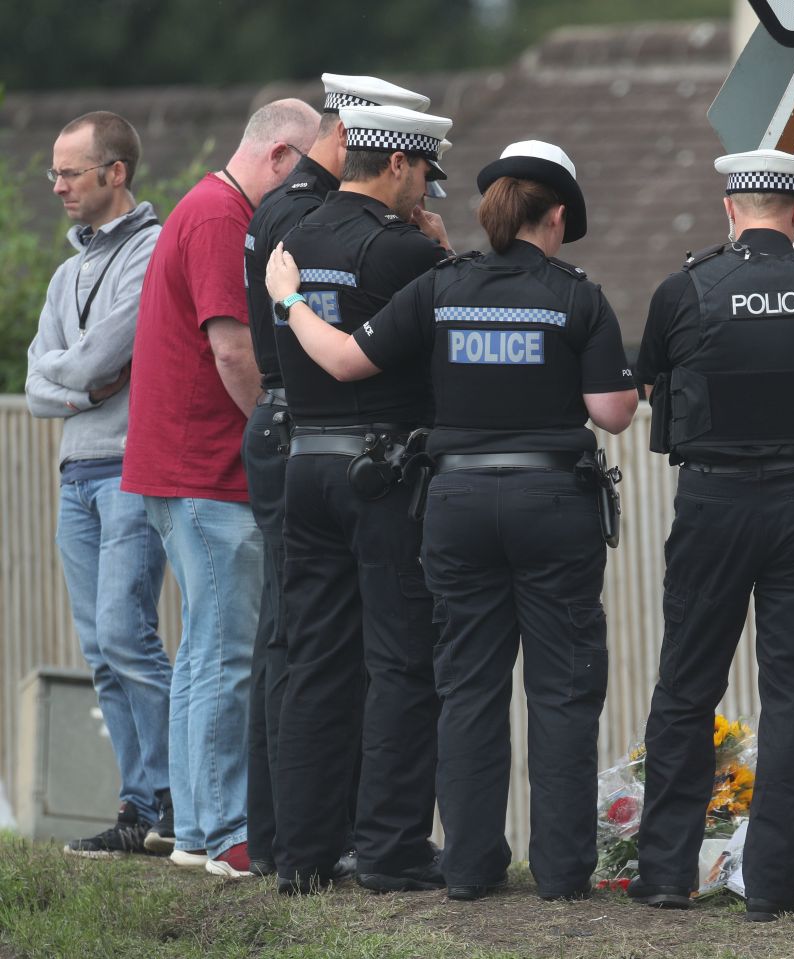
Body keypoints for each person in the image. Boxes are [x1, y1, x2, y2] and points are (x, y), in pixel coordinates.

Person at [266, 139, 639, 901]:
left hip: (455, 507)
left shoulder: (444, 287)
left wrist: (291, 301)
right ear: (558, 216)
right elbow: (612, 412)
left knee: (467, 685)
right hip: (552, 505)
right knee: (562, 689)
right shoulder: (576, 296)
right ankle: (564, 872)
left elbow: (342, 360)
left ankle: (470, 868)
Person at [627, 149, 794, 921]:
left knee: (687, 682)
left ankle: (667, 872)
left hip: (713, 500)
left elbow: (650, 387)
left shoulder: (685, 286)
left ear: (731, 206)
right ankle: (771, 885)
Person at [121, 98, 320, 879]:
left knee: (206, 648)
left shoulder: (205, 207)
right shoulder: (219, 218)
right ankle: (227, 824)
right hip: (206, 468)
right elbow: (233, 350)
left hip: (185, 467)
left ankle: (199, 827)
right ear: (277, 158)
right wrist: (279, 431)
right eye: (301, 175)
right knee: (227, 652)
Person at [241, 75, 431, 878]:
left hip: (304, 460)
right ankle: (389, 848)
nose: (425, 185)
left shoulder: (288, 229)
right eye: (423, 169)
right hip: (381, 469)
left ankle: (301, 853)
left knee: (313, 659)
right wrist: (441, 248)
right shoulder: (406, 248)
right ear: (396, 165)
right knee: (397, 659)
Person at [25, 111, 172, 857]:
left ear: (115, 173)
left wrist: (74, 374)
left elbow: (86, 360)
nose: (56, 187)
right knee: (100, 649)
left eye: (70, 173)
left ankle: (181, 796)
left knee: (127, 633)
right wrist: (81, 383)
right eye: (54, 173)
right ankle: (138, 805)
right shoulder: (65, 272)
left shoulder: (152, 252)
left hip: (128, 467)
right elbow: (41, 374)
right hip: (74, 469)